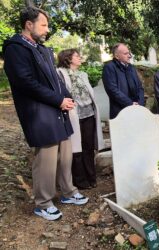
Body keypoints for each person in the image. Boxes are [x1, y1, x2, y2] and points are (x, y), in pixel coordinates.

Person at [2, 7, 88, 221]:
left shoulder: (43, 49)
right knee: (46, 160)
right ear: (28, 25)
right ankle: (43, 202)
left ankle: (68, 192)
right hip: (39, 112)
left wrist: (67, 97)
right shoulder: (16, 49)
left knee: (65, 155)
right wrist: (58, 100)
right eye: (43, 25)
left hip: (57, 110)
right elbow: (25, 82)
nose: (47, 29)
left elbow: (56, 79)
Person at [57, 49, 105, 189]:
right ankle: (80, 180)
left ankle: (91, 177)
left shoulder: (83, 74)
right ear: (68, 58)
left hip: (89, 114)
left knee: (88, 147)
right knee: (75, 148)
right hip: (73, 115)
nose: (80, 58)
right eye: (77, 56)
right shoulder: (60, 73)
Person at [102, 43, 145, 119]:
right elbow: (112, 90)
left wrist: (140, 104)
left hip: (136, 109)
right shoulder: (109, 67)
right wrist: (130, 104)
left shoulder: (131, 67)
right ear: (117, 56)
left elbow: (140, 87)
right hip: (120, 112)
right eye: (125, 54)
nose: (129, 56)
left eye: (129, 53)